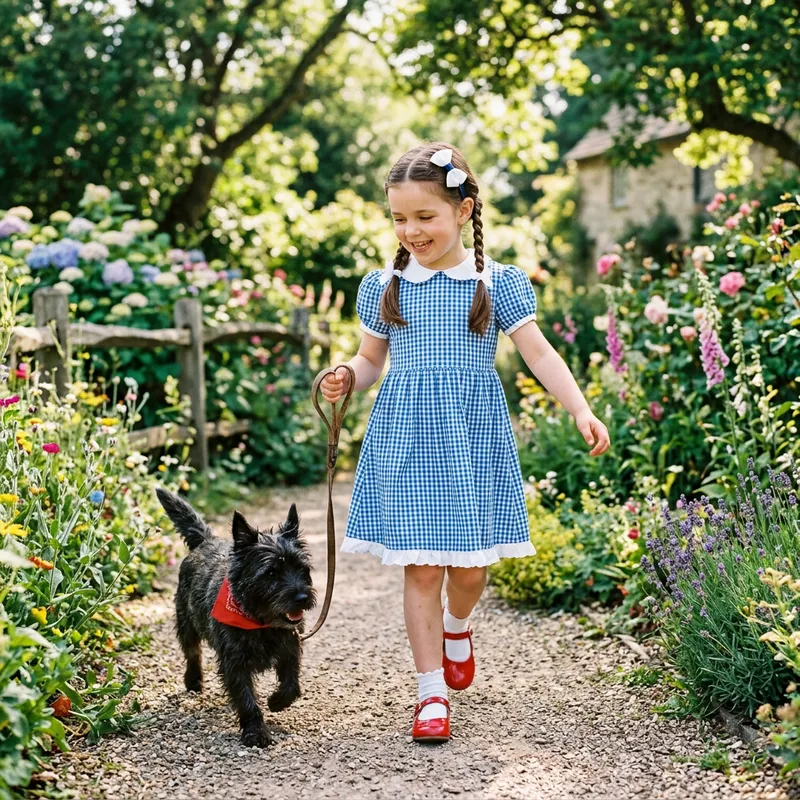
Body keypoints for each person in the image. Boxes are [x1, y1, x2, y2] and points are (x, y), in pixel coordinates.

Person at [320, 141, 610, 743]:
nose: (411, 231)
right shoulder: (386, 283)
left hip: (470, 440)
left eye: (424, 217)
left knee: (470, 570)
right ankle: (430, 694)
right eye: (399, 218)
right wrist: (348, 375)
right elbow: (371, 359)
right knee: (422, 569)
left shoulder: (494, 282)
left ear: (463, 210)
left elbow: (538, 352)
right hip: (406, 442)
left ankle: (458, 624)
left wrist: (579, 405)